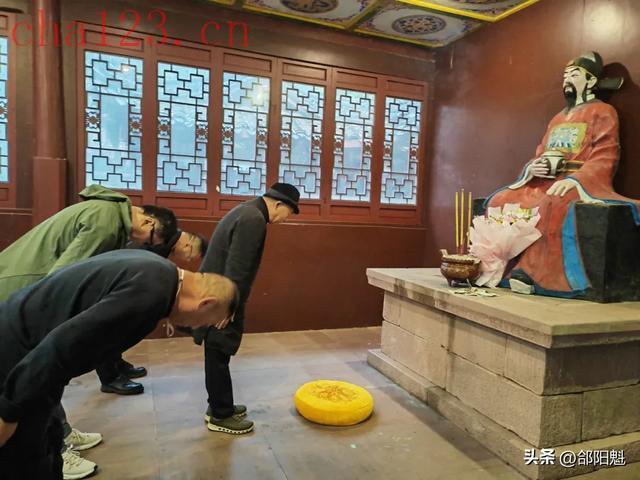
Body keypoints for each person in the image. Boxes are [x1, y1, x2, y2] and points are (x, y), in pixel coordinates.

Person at [0, 249, 238, 480]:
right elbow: (59, 348)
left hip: (26, 345)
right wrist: (9, 411)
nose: (196, 328)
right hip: (19, 355)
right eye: (206, 323)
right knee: (24, 460)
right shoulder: (150, 295)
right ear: (206, 303)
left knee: (48, 443)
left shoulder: (159, 271)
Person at [0, 184, 178, 479]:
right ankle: (57, 447)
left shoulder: (108, 214)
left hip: (19, 291)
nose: (143, 245)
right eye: (149, 240)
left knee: (45, 370)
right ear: (148, 222)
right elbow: (60, 281)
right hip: (18, 297)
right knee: (39, 371)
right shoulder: (107, 222)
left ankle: (62, 434)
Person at [485, 52, 640, 297]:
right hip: (546, 179)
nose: (567, 79)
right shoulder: (558, 118)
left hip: (577, 183)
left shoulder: (603, 112)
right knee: (500, 200)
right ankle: (495, 268)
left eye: (575, 75)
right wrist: (533, 168)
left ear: (591, 81)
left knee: (552, 202)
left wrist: (575, 180)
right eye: (565, 75)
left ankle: (532, 273)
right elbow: (541, 152)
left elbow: (605, 155)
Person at [192, 182, 300, 435]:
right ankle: (221, 415)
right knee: (218, 351)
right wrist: (227, 305)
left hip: (214, 289)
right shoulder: (254, 219)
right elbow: (238, 267)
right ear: (278, 204)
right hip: (220, 294)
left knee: (217, 351)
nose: (286, 219)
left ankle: (219, 404)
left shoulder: (246, 211)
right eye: (289, 213)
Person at [97, 230, 209, 396]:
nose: (188, 260)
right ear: (188, 245)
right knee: (109, 330)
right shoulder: (159, 243)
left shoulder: (166, 240)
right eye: (191, 256)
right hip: (111, 283)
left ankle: (117, 365)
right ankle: (110, 378)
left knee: (118, 330)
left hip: (117, 280)